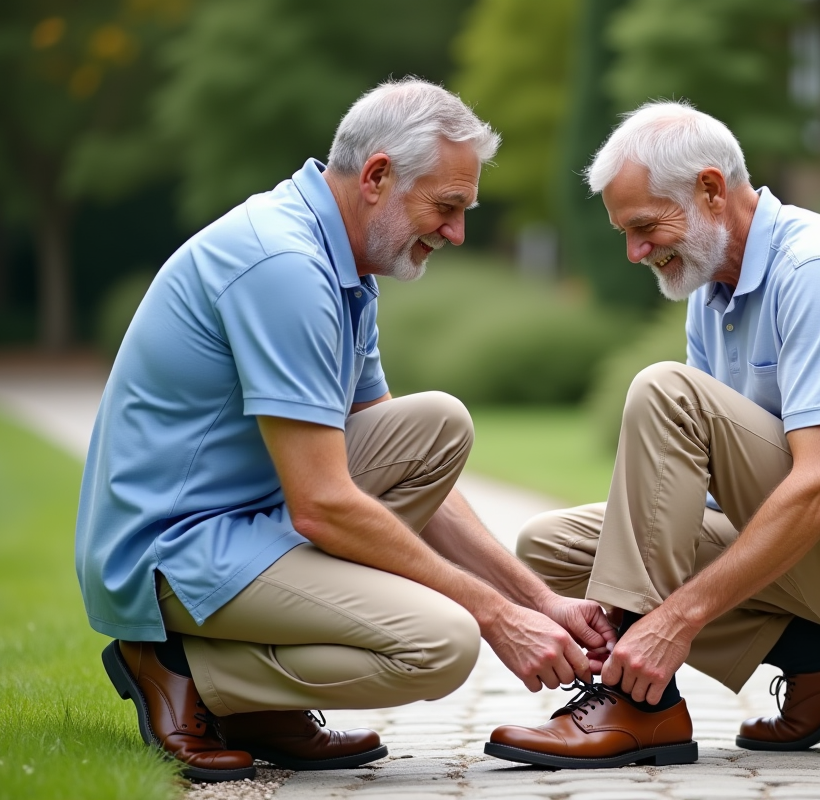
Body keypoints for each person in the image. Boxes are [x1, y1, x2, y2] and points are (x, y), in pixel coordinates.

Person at [76, 78, 614, 783]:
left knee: (436, 427)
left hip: (249, 520)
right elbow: (323, 503)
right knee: (442, 643)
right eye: (447, 208)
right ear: (377, 177)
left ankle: (253, 704)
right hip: (172, 550)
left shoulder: (347, 269)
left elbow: (403, 459)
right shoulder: (284, 266)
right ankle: (184, 669)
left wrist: (536, 600)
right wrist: (491, 615)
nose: (456, 233)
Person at [486, 102, 820, 770]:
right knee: (550, 552)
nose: (634, 252)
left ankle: (640, 708)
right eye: (625, 232)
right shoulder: (709, 294)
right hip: (819, 559)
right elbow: (695, 497)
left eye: (645, 226)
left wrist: (673, 621)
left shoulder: (816, 269)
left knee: (665, 390)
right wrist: (644, 602)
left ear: (711, 189)